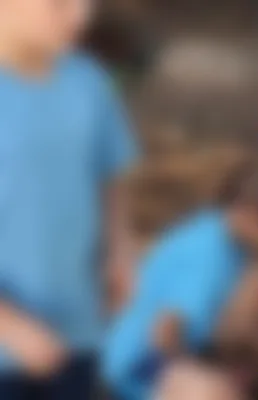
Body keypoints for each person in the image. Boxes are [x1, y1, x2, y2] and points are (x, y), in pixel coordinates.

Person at [0, 0, 137, 398]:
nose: (80, 17)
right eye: (59, 4)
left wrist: (120, 253)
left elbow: (108, 174)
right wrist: (11, 327)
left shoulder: (87, 81)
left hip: (80, 326)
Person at [102, 158, 258, 400]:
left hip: (181, 345)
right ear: (247, 211)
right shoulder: (209, 256)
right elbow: (165, 333)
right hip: (143, 362)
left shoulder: (222, 231)